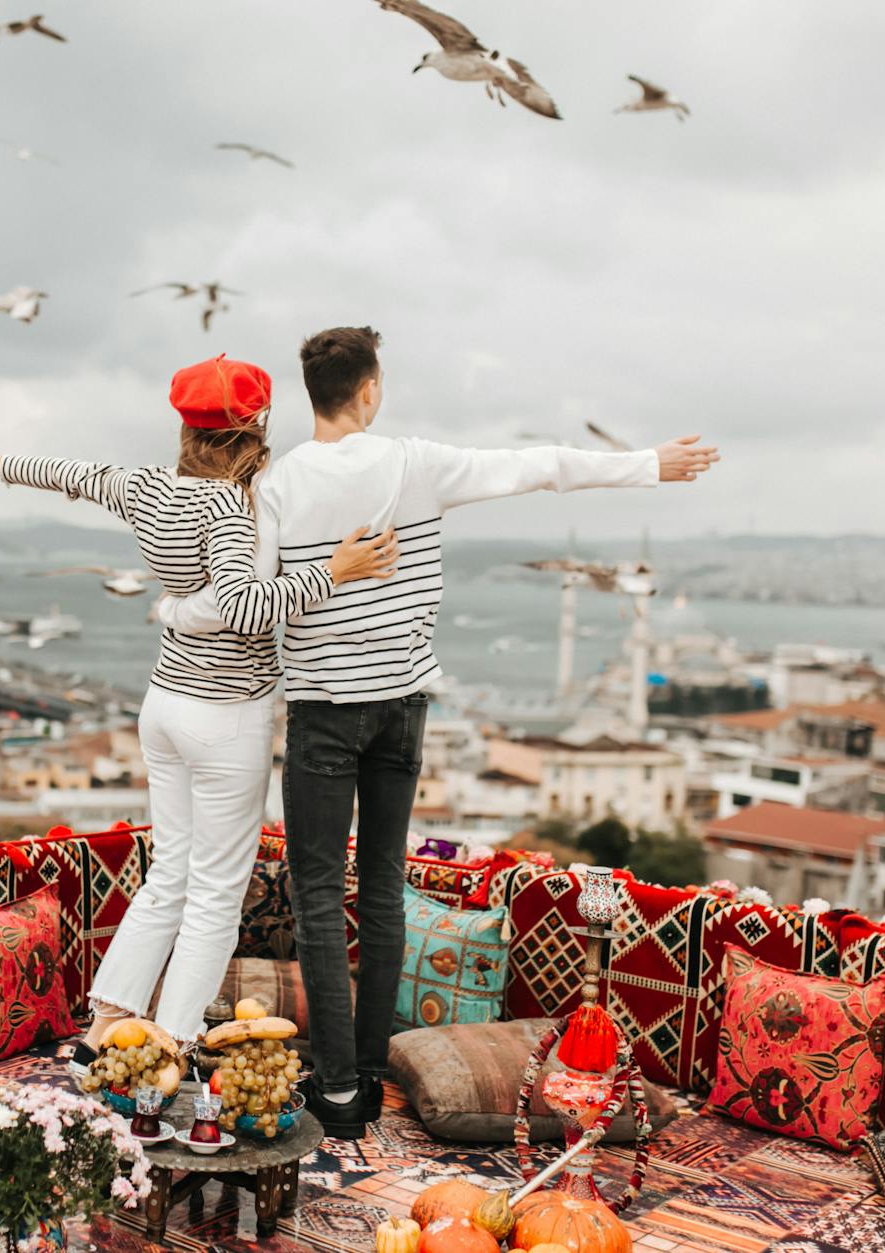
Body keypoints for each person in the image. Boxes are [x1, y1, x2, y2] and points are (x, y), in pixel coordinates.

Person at [158, 327, 718, 1136]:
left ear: (311, 394)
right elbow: (540, 466)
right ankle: (379, 1070)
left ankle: (340, 1089)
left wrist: (176, 611)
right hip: (403, 707)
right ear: (370, 389)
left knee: (321, 899)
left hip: (323, 710)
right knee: (384, 887)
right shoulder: (416, 464)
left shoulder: (277, 489)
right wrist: (647, 466)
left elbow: (251, 597)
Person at [0, 354, 399, 1066]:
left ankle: (106, 1025)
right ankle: (168, 1043)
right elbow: (247, 607)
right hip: (225, 715)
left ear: (184, 422)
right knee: (215, 891)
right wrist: (332, 571)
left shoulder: (151, 488)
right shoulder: (228, 506)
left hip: (164, 706)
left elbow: (79, 476)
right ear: (257, 423)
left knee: (170, 873)